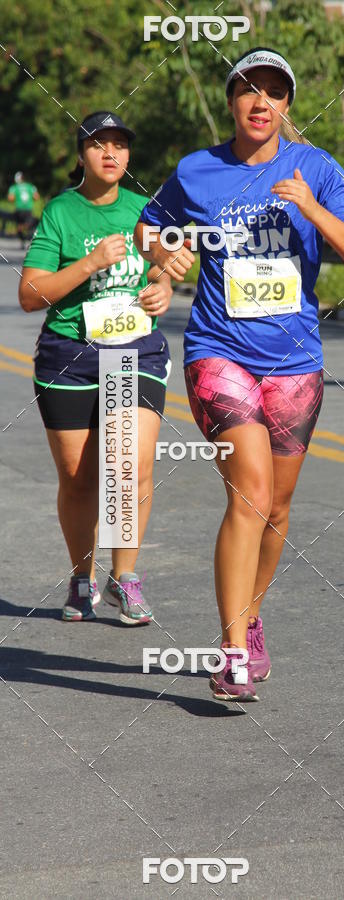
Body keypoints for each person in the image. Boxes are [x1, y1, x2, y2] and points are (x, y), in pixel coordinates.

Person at [135, 47, 344, 701]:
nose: (260, 101)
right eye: (248, 89)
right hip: (218, 352)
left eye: (274, 91)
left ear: (288, 104)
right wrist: (167, 251)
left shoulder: (316, 169)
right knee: (249, 492)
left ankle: (249, 618)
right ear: (231, 102)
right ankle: (232, 652)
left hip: (295, 364)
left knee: (276, 507)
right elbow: (148, 228)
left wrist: (313, 208)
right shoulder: (197, 170)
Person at [18, 111, 172, 625]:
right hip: (69, 354)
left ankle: (125, 578)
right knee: (79, 478)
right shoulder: (61, 211)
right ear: (81, 154)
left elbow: (162, 267)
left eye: (120, 145)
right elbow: (29, 294)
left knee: (129, 465)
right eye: (98, 144)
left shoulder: (144, 209)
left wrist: (162, 287)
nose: (111, 153)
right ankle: (81, 578)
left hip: (134, 351)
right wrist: (88, 264)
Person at [8, 171, 40, 247]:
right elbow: (36, 197)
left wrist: (17, 198)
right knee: (28, 224)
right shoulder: (30, 186)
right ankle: (28, 234)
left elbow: (10, 198)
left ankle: (23, 239)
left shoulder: (14, 187)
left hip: (19, 209)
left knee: (20, 225)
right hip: (28, 209)